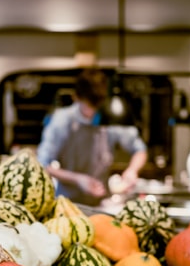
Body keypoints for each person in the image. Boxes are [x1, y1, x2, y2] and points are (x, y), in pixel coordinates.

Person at [35, 68, 148, 206]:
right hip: (67, 203)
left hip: (101, 202)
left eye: (98, 105)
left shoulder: (111, 116)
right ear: (76, 97)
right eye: (90, 105)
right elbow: (42, 164)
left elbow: (139, 150)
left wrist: (132, 171)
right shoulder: (62, 120)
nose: (94, 112)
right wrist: (78, 179)